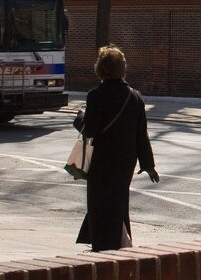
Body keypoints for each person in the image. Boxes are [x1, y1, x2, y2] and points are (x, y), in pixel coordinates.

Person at [73, 45, 159, 251]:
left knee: (100, 200)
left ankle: (106, 242)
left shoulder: (96, 95)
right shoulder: (135, 97)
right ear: (122, 68)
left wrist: (79, 118)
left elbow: (91, 129)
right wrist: (148, 164)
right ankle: (118, 238)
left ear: (101, 69)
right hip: (126, 160)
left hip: (102, 159)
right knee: (118, 198)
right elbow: (142, 134)